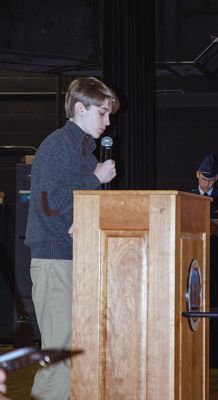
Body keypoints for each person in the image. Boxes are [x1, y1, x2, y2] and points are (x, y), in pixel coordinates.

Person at [25, 77, 120, 400]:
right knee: (61, 360)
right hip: (55, 263)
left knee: (79, 356)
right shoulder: (59, 145)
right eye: (103, 113)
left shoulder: (85, 153)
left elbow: (82, 206)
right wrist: (94, 178)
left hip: (77, 261)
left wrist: (85, 219)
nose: (108, 122)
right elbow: (49, 204)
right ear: (80, 108)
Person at [191, 153, 218, 369]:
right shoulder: (188, 196)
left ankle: (216, 360)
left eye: (211, 180)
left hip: (217, 261)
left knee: (216, 306)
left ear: (217, 179)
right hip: (193, 259)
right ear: (197, 175)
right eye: (204, 178)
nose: (207, 183)